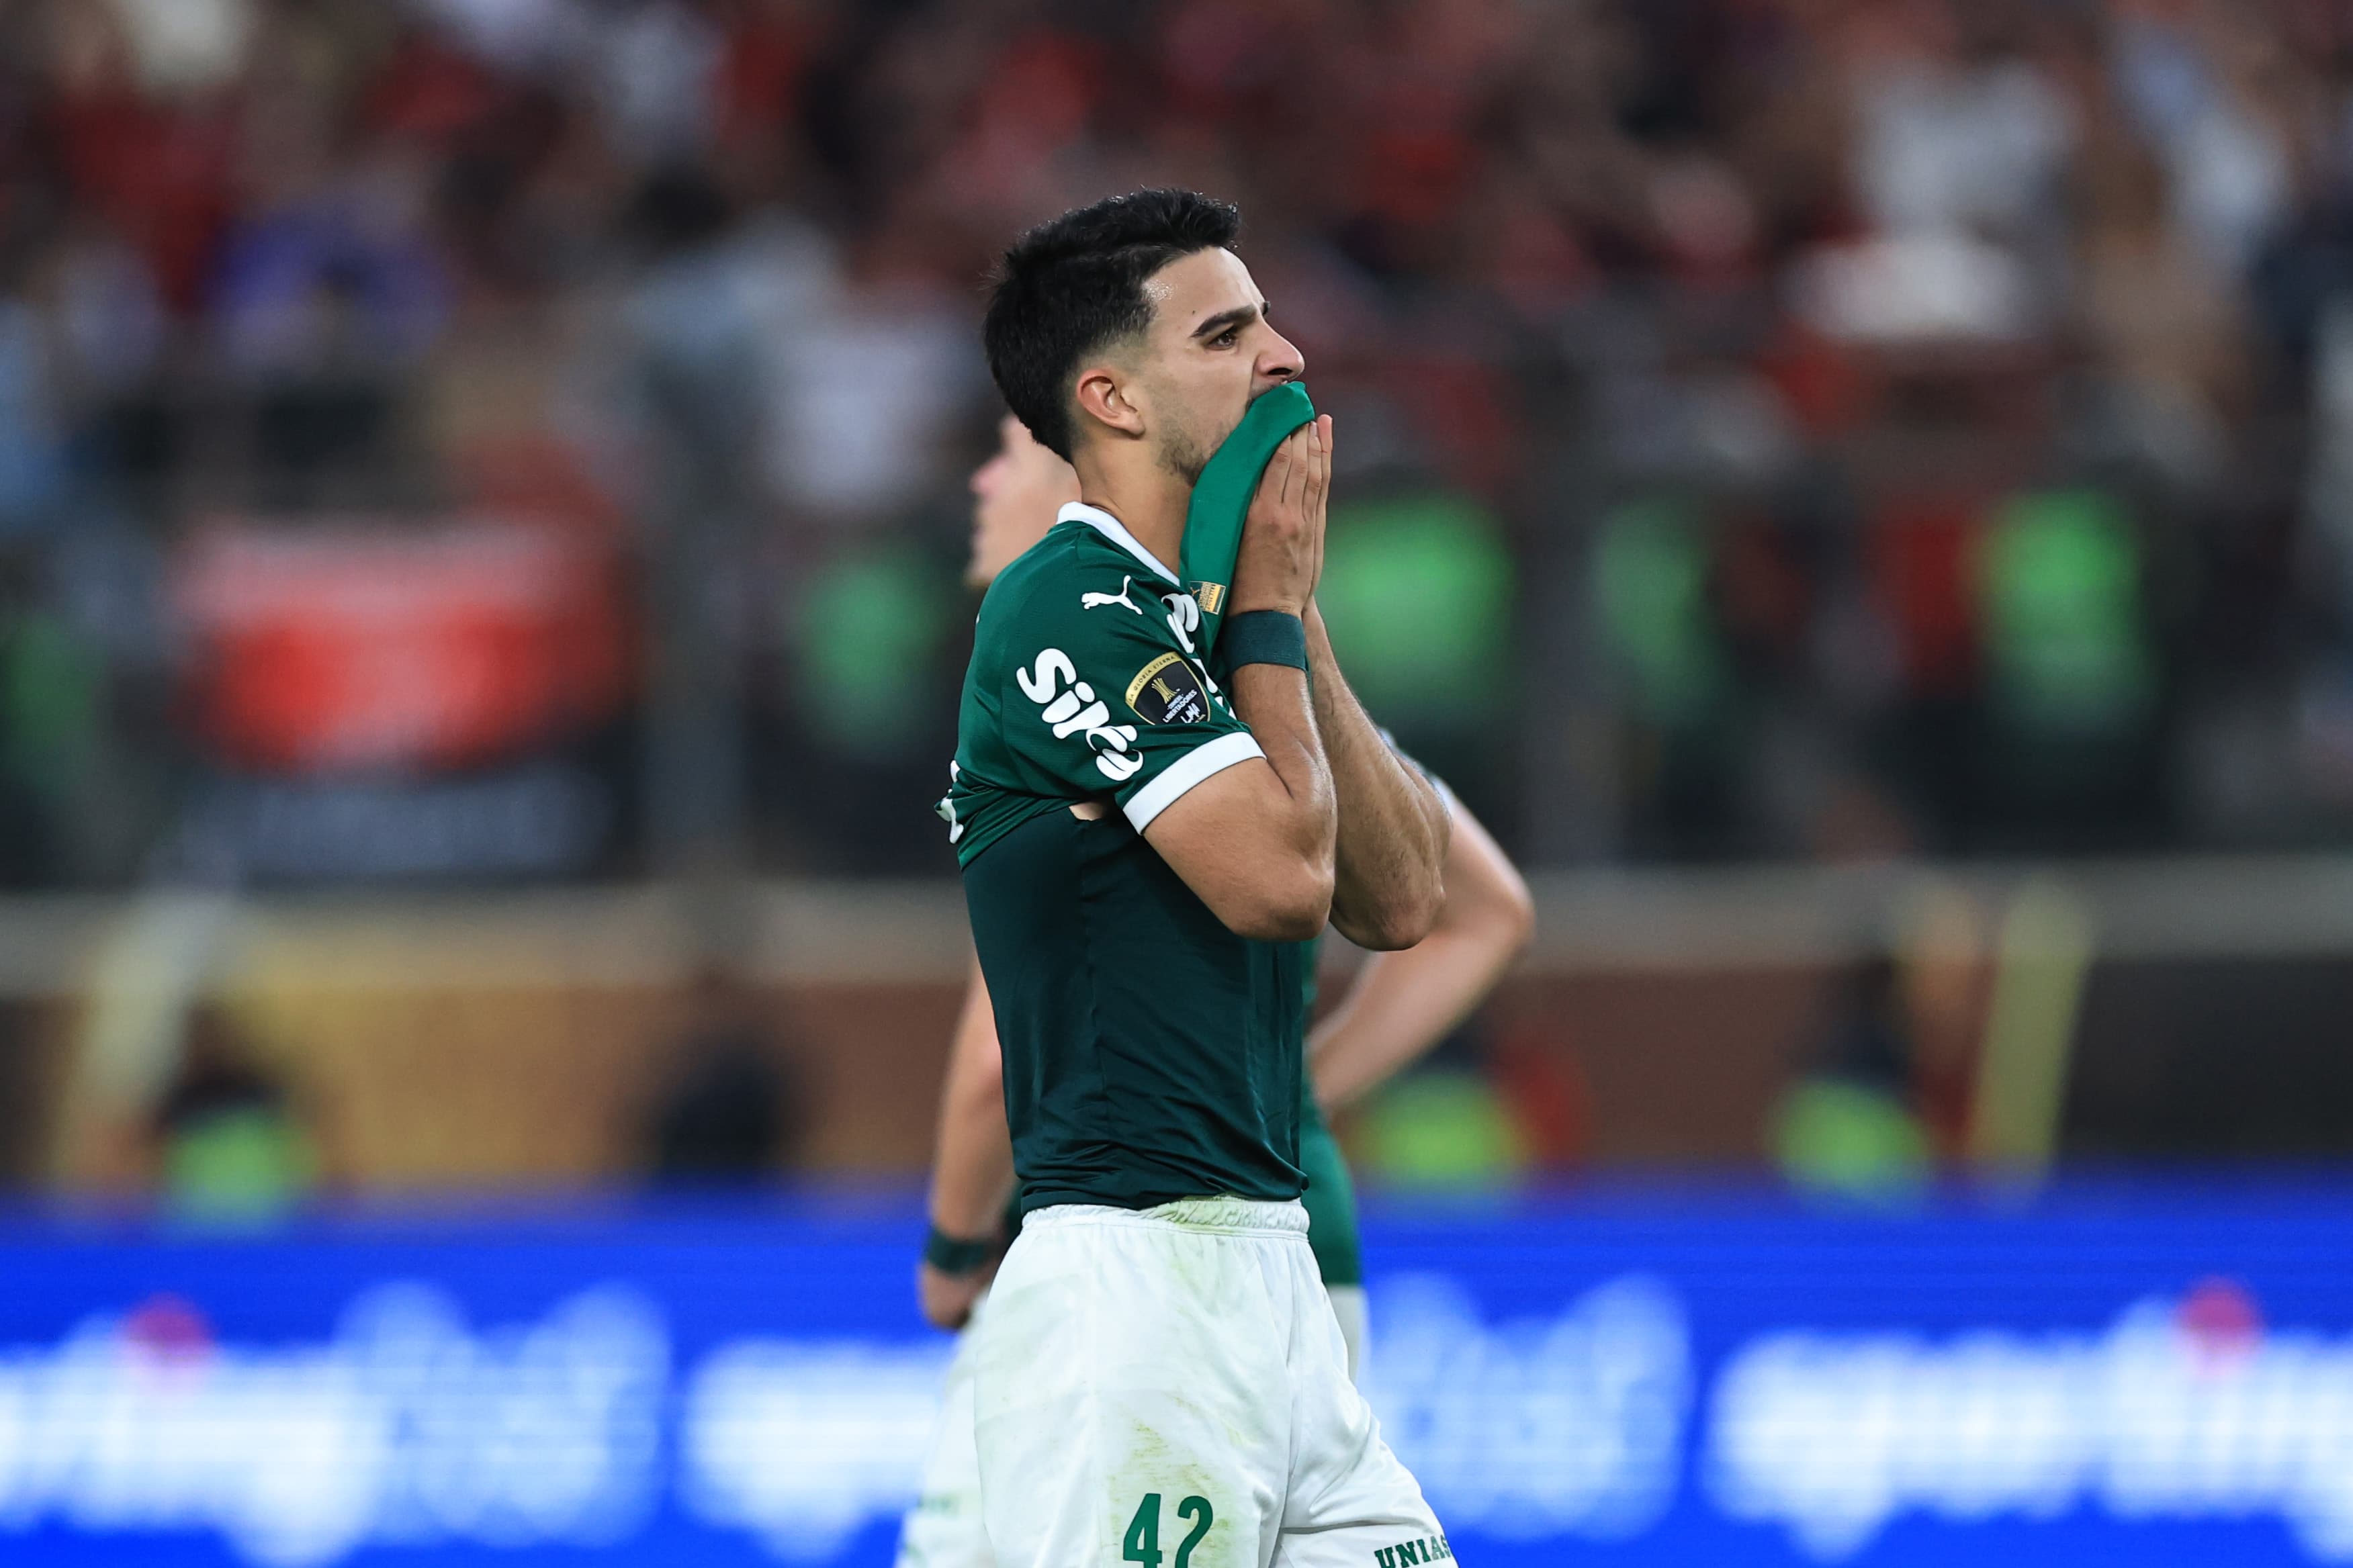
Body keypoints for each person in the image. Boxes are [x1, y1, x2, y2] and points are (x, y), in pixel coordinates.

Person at [933, 188, 1466, 1568]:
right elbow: (1283, 885)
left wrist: (1279, 609)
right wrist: (1272, 609)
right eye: (1229, 332)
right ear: (1109, 396)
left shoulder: (1209, 620)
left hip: (1271, 1267)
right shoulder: (1067, 605)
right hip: (1135, 1281)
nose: (1285, 356)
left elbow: (1403, 902)